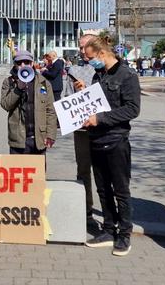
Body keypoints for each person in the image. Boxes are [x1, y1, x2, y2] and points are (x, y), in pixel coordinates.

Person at [80, 36, 141, 257]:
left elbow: (132, 109)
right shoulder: (99, 76)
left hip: (116, 141)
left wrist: (101, 119)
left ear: (102, 53)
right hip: (96, 140)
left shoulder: (127, 75)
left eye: (90, 57)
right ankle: (108, 229)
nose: (88, 62)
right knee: (103, 189)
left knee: (121, 191)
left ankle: (124, 234)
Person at [1, 50, 57, 155]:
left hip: (39, 138)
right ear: (15, 65)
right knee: (17, 171)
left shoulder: (43, 83)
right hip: (18, 139)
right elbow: (5, 105)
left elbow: (50, 111)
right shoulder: (9, 82)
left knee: (38, 171)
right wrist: (17, 89)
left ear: (31, 64)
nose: (23, 65)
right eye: (19, 63)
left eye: (26, 62)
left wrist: (50, 135)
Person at [66, 34, 98, 221]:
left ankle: (112, 215)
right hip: (82, 131)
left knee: (105, 173)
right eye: (80, 47)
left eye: (84, 46)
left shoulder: (107, 69)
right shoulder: (74, 70)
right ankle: (87, 211)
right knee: (83, 170)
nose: (81, 50)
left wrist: (86, 90)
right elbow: (67, 97)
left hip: (103, 128)